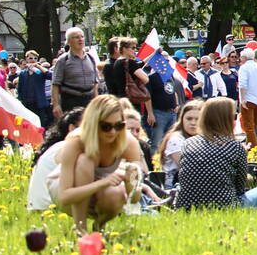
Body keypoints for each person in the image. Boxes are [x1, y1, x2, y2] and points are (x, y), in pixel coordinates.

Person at [51, 95, 144, 233]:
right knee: (85, 161)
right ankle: (80, 229)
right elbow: (64, 197)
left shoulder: (128, 143)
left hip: (100, 192)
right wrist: (102, 183)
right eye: (106, 126)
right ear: (93, 123)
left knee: (115, 194)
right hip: (64, 188)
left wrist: (132, 185)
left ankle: (99, 227)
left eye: (119, 125)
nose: (113, 131)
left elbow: (135, 199)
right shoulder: (76, 141)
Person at [174, 98, 257, 210]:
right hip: (224, 206)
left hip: (185, 207)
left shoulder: (188, 143)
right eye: (234, 116)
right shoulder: (234, 146)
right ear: (227, 120)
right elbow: (240, 188)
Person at [26, 109, 84, 210]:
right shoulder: (67, 147)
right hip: (50, 208)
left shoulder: (55, 147)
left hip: (39, 206)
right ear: (72, 128)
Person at [102, 37, 151, 119]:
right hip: (132, 100)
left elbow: (140, 64)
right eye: (133, 48)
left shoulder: (117, 62)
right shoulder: (130, 63)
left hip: (121, 100)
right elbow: (146, 79)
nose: (135, 50)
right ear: (124, 49)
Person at [157, 99, 202, 183]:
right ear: (182, 119)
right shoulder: (176, 139)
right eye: (189, 119)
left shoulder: (203, 139)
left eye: (197, 119)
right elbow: (189, 169)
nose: (193, 123)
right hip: (174, 187)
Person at [237, 48, 257, 149]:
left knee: (249, 127)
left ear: (244, 57)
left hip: (248, 99)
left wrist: (242, 99)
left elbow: (242, 84)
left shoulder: (244, 68)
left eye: (241, 57)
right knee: (253, 125)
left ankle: (254, 150)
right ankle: (249, 146)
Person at [15, 50, 52, 131]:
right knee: (28, 127)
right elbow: (20, 89)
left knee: (40, 127)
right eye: (30, 58)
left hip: (39, 104)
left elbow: (51, 76)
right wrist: (21, 101)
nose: (33, 60)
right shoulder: (23, 73)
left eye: (35, 58)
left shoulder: (40, 72)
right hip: (27, 104)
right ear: (26, 59)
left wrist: (39, 66)